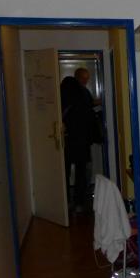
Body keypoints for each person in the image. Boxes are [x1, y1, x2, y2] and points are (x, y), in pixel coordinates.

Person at [62, 68, 99, 211]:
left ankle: (66, 201)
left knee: (66, 171)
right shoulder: (82, 92)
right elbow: (88, 107)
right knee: (81, 171)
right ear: (78, 77)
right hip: (81, 139)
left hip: (67, 139)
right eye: (84, 79)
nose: (86, 81)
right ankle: (79, 203)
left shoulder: (64, 91)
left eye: (87, 79)